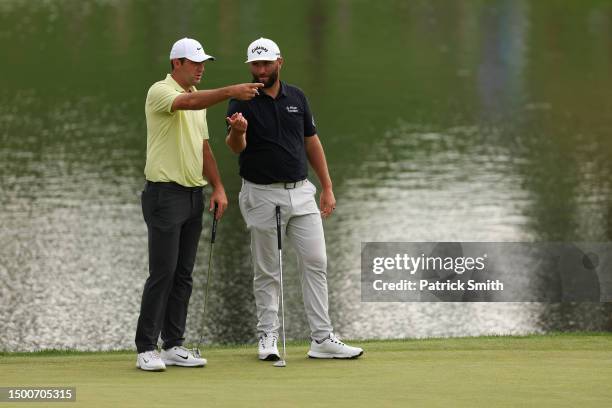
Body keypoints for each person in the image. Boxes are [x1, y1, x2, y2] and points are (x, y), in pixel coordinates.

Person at [225, 38, 363, 360]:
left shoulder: (297, 97)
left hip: (301, 192)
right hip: (261, 194)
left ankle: (322, 338)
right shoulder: (241, 99)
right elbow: (235, 148)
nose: (260, 71)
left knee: (316, 262)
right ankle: (267, 336)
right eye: (255, 65)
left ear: (279, 63)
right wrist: (239, 131)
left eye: (265, 64)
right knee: (268, 270)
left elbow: (311, 142)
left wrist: (327, 186)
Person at [135, 37, 263, 371]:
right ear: (176, 63)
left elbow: (203, 147)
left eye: (203, 62)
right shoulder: (160, 92)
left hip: (194, 195)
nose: (201, 68)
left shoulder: (198, 100)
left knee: (184, 274)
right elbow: (186, 105)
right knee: (162, 273)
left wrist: (218, 187)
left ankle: (173, 344)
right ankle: (146, 348)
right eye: (195, 63)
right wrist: (230, 92)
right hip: (164, 194)